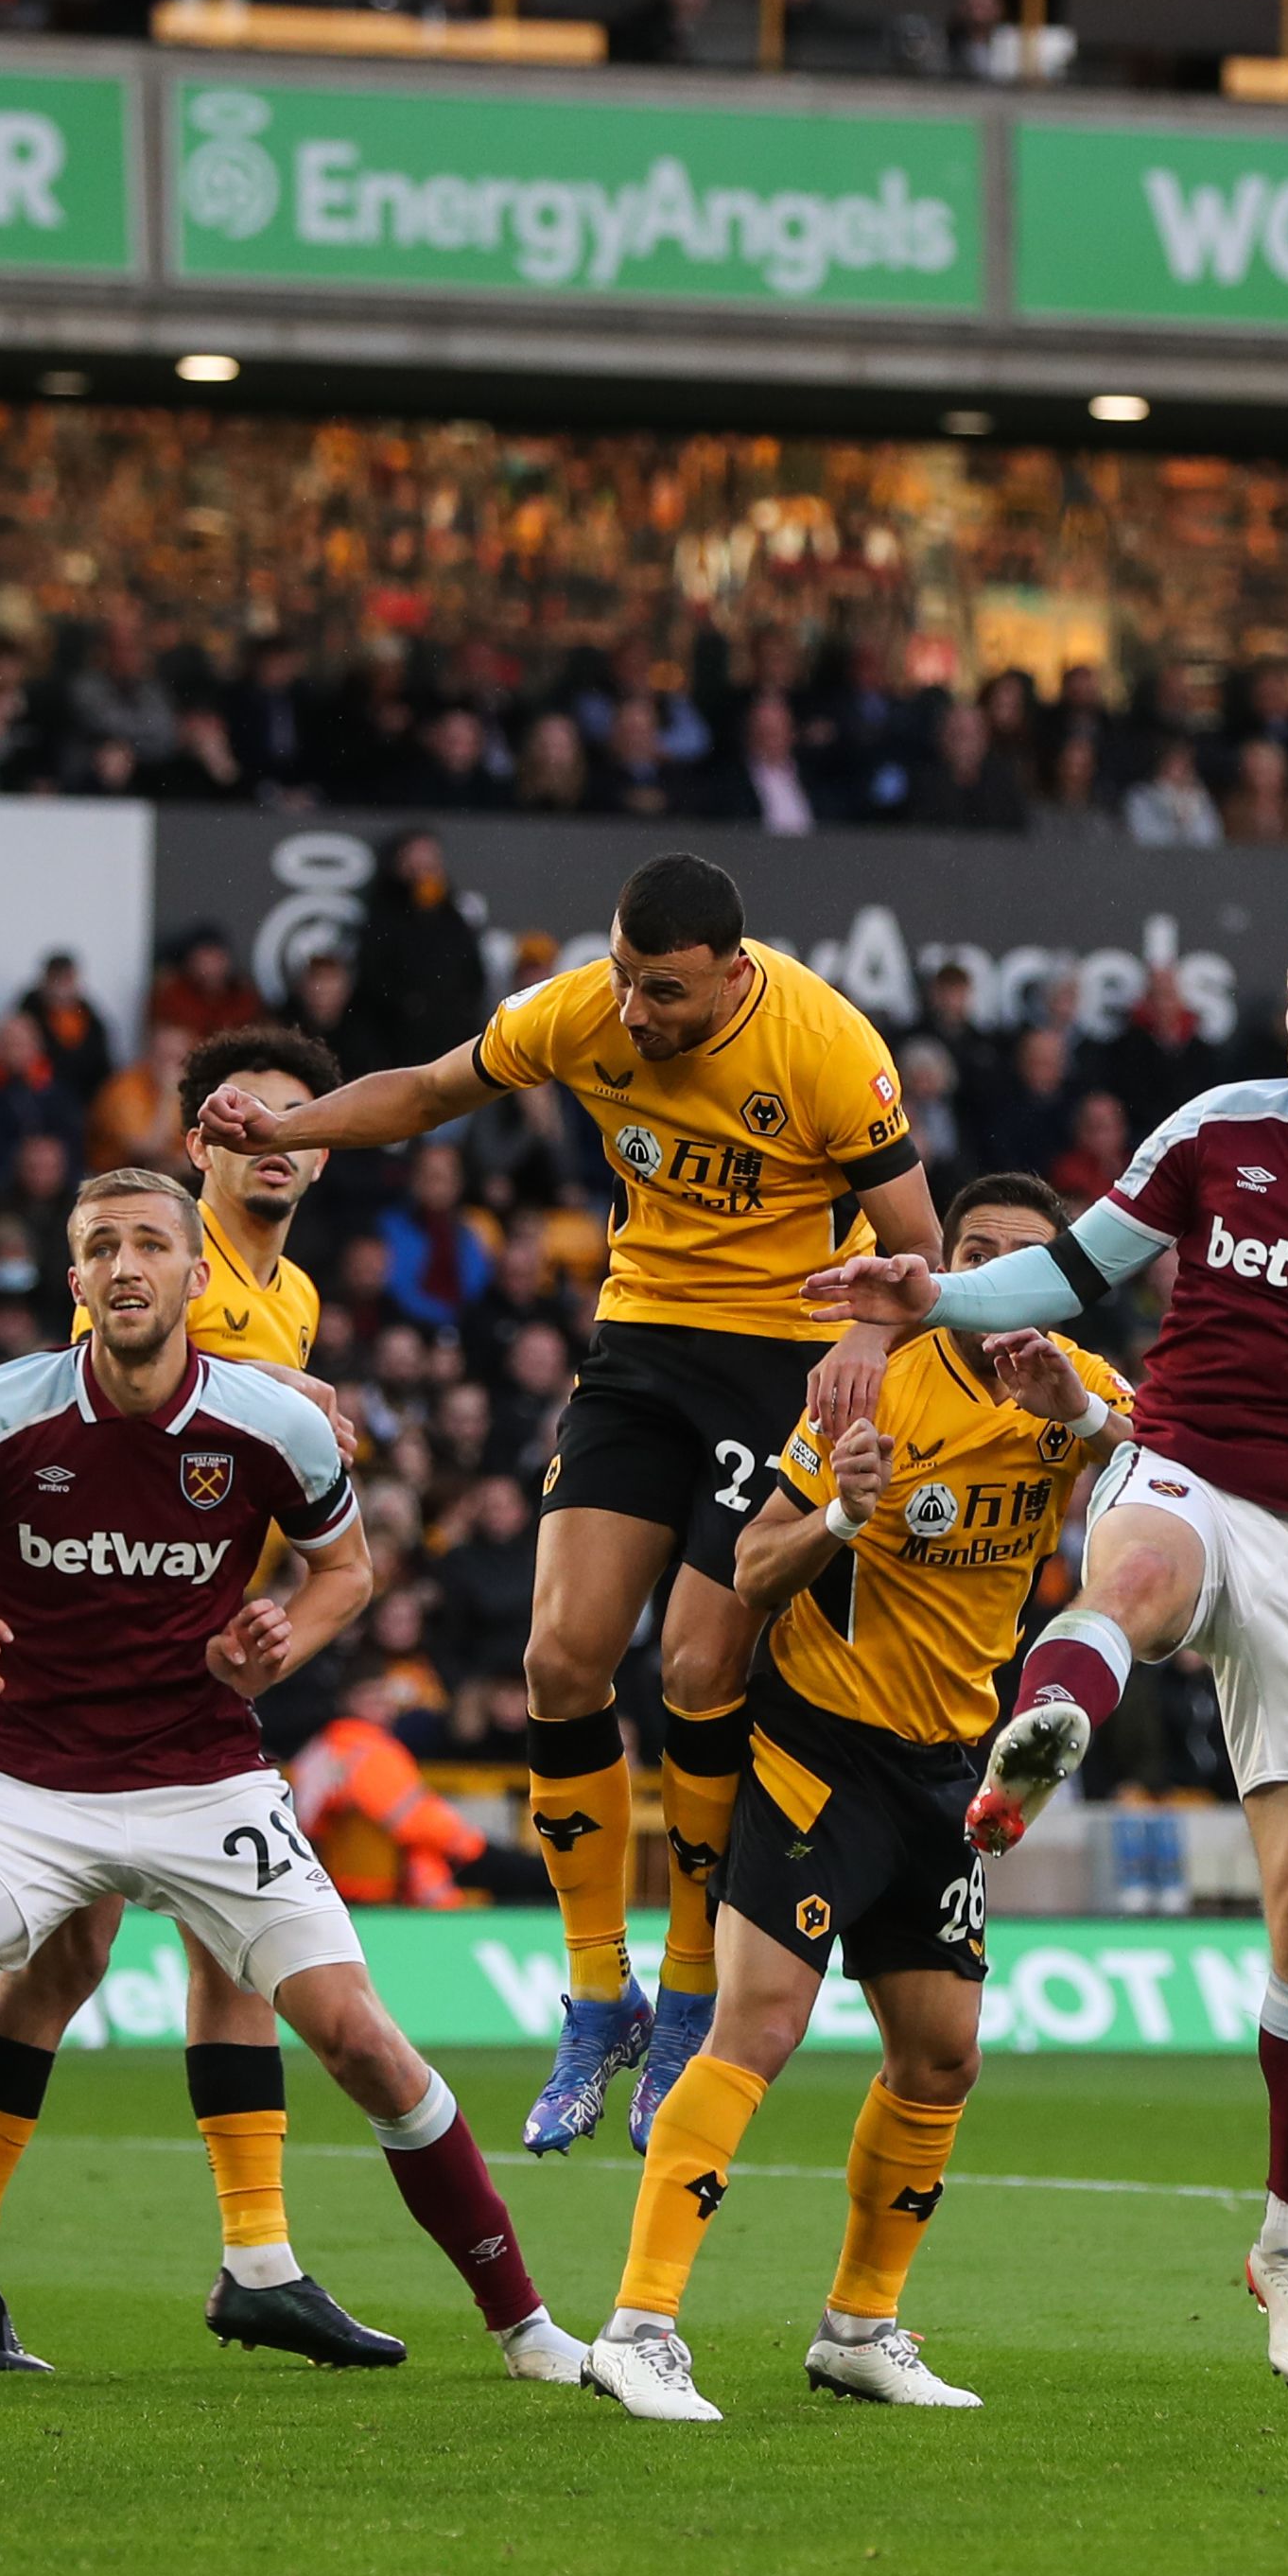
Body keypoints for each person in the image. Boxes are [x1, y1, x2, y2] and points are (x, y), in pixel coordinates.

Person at [804, 893, 1288, 2389]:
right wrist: (931, 1291)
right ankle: (1043, 1735)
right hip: (1180, 1464)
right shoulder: (1213, 1127)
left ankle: (1287, 2246)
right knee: (1129, 1576)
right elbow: (1070, 1275)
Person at [197, 853, 935, 2157]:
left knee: (703, 1666)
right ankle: (601, 1992)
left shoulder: (825, 1044)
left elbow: (912, 1234)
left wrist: (874, 1325)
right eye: (624, 976)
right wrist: (288, 1128)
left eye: (662, 990)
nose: (635, 1010)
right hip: (642, 1340)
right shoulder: (578, 1009)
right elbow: (425, 1091)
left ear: (730, 971)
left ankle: (697, 1982)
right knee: (559, 1656)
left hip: (776, 1357)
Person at [0, 1169, 584, 2389]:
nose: (126, 1265)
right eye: (101, 1247)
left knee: (362, 2042)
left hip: (208, 1782)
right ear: (75, 1286)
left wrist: (278, 1640)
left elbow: (344, 1573)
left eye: (150, 1245)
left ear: (192, 1278)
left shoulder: (273, 1427)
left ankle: (525, 2324)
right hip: (26, 1780)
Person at [583, 1172, 1133, 2423]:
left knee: (940, 2058)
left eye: (1020, 1259)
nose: (992, 1277)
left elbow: (1176, 1492)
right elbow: (751, 1562)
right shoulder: (866, 1385)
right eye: (971, 1251)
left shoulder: (1077, 1385)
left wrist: (1090, 1429)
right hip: (820, 1750)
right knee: (762, 2026)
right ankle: (639, 2322)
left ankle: (859, 2327)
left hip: (951, 1769)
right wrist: (839, 1509)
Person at [0, 1024, 401, 2366]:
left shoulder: (286, 1289)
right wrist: (273, 1390)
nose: (287, 1145)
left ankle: (254, 2256)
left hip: (210, 1664)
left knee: (188, 1954)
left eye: (312, 1125)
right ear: (203, 1144)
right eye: (260, 1121)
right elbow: (111, 1372)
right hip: (88, 1679)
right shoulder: (161, 1259)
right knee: (75, 1959)